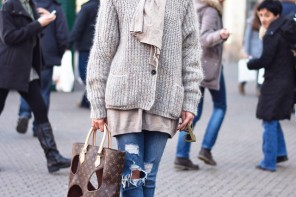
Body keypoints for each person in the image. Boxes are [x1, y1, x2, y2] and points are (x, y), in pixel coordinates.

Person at [86, 0, 204, 196]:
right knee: (133, 176)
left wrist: (190, 99)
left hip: (164, 99)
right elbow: (102, 51)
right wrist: (97, 103)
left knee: (148, 177)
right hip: (124, 99)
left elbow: (190, 50)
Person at [0, 0, 70, 173]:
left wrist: (44, 22)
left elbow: (29, 32)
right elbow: (8, 37)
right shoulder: (9, 5)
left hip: (26, 67)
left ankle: (53, 157)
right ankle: (53, 157)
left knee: (40, 109)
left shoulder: (29, 4)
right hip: (7, 67)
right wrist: (39, 23)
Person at [175, 0, 229, 170]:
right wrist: (221, 34)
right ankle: (205, 149)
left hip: (194, 66)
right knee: (220, 106)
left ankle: (181, 155)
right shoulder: (211, 11)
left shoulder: (194, 6)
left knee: (192, 112)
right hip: (209, 66)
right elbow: (204, 38)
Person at [247, 0, 295, 172]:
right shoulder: (285, 29)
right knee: (273, 118)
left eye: (267, 15)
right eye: (261, 15)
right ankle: (279, 153)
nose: (263, 18)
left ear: (276, 15)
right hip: (286, 80)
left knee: (268, 119)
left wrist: (250, 63)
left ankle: (268, 162)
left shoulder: (273, 33)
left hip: (275, 82)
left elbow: (266, 59)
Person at [16, 0, 69, 136]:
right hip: (47, 55)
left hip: (28, 53)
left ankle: (24, 113)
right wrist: (59, 54)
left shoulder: (27, 6)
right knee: (44, 91)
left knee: (26, 85)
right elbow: (62, 34)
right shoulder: (55, 8)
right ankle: (39, 126)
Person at [68, 0, 100, 109]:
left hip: (86, 47)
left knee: (85, 75)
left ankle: (93, 101)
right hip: (99, 47)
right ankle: (86, 100)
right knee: (96, 74)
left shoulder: (86, 8)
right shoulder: (106, 6)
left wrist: (69, 44)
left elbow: (78, 27)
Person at [239, 2, 263, 96]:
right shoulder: (251, 21)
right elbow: (247, 37)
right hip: (253, 50)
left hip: (262, 50)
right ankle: (242, 82)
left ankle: (258, 88)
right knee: (249, 69)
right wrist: (246, 51)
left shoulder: (265, 20)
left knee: (260, 70)